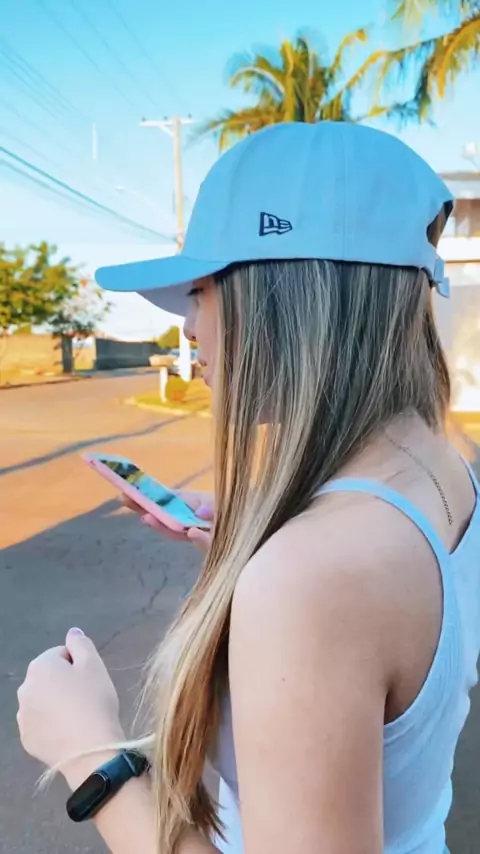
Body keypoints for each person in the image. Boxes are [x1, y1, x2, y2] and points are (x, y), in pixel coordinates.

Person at [17, 121, 480, 854]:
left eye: (200, 292)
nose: (188, 328)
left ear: (282, 300)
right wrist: (261, 540)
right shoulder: (444, 468)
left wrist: (86, 752)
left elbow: (339, 597)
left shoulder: (314, 576)